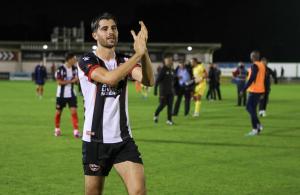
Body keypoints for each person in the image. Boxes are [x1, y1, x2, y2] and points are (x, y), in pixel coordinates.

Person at [77, 13, 154, 195]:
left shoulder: (124, 61)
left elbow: (148, 80)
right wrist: (138, 55)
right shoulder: (87, 60)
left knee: (138, 192)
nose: (110, 32)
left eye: (114, 28)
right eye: (104, 29)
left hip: (123, 141)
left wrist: (144, 53)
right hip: (95, 141)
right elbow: (110, 79)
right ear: (95, 35)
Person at [54, 53, 81, 138]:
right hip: (61, 95)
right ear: (69, 59)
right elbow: (59, 82)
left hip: (72, 95)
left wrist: (77, 81)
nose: (75, 60)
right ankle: (57, 129)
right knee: (58, 112)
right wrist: (72, 81)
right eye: (74, 58)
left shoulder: (75, 69)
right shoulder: (60, 69)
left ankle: (76, 131)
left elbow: (76, 82)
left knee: (74, 112)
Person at [240, 51, 265, 136]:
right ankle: (256, 130)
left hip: (254, 90)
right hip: (259, 90)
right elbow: (262, 78)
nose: (250, 58)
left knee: (248, 107)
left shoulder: (255, 65)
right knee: (253, 110)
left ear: (253, 57)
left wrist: (244, 89)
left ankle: (258, 125)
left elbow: (252, 78)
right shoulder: (262, 65)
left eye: (251, 56)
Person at [153, 55, 175, 125]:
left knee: (170, 106)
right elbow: (157, 81)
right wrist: (155, 90)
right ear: (165, 62)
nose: (170, 62)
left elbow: (173, 81)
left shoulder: (172, 70)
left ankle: (169, 120)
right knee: (162, 105)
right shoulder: (163, 70)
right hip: (163, 92)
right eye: (168, 60)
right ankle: (156, 114)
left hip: (171, 92)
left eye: (171, 60)